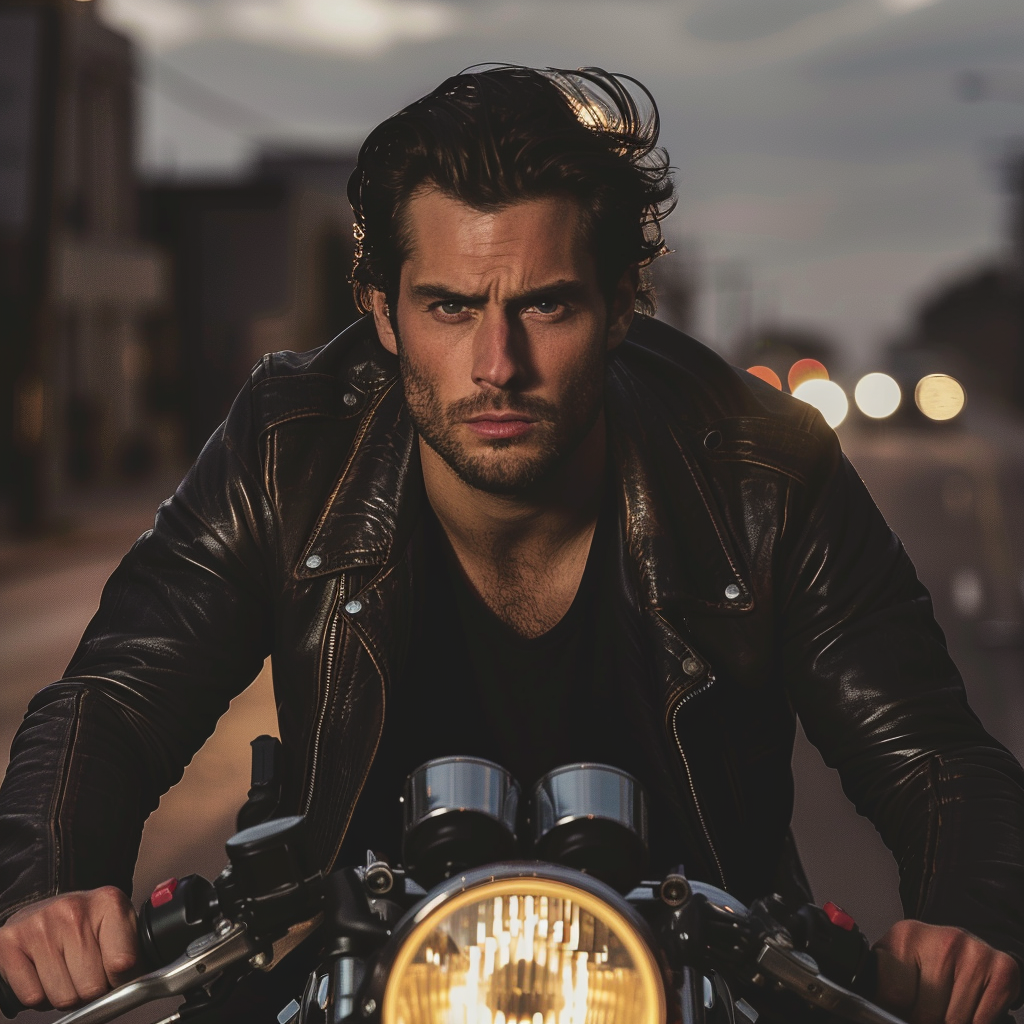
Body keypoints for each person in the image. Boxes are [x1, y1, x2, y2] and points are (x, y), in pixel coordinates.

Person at [0, 65, 1022, 1023]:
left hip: (694, 981)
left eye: (546, 304)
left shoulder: (760, 466)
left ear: (621, 304)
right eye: (450, 305)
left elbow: (931, 750)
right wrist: (48, 885)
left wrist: (966, 918)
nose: (498, 365)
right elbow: (118, 693)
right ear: (382, 312)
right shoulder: (291, 444)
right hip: (349, 974)